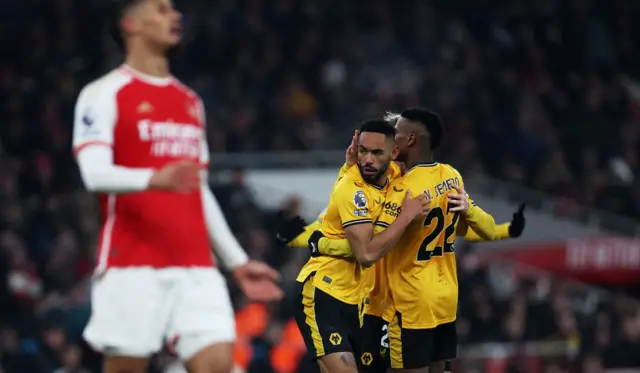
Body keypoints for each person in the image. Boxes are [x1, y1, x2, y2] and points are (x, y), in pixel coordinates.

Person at [71, 1, 283, 373]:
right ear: (130, 23)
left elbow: (197, 189)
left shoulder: (189, 102)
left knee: (219, 365)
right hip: (132, 263)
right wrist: (153, 178)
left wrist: (236, 262)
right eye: (162, 9)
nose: (175, 16)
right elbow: (93, 173)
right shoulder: (103, 94)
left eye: (174, 10)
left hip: (196, 266)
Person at [312, 108, 527, 373]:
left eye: (396, 134)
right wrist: (469, 210)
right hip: (445, 298)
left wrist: (322, 242)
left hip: (410, 302)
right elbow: (487, 230)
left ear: (411, 140)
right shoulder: (450, 176)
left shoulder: (400, 190)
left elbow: (367, 249)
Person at [292, 119, 430, 373]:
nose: (368, 159)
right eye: (363, 151)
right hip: (324, 293)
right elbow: (366, 254)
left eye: (377, 153)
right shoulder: (353, 188)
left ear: (393, 153)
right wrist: (406, 217)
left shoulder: (395, 180)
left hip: (360, 301)